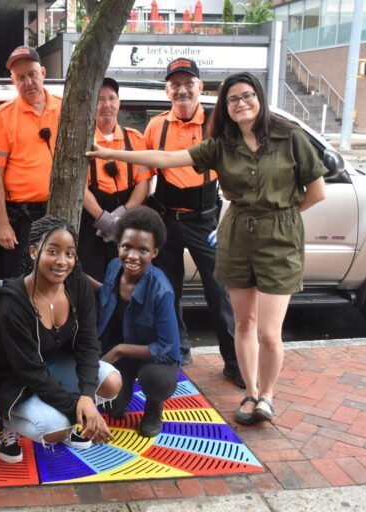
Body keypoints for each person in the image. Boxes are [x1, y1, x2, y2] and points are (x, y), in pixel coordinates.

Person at [87, 72, 328, 425]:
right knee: (244, 322)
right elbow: (167, 159)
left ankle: (268, 395)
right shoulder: (221, 145)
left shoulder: (289, 136)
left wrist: (281, 217)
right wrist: (109, 152)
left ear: (259, 98)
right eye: (233, 100)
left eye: (247, 96)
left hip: (275, 238)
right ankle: (250, 393)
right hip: (233, 233)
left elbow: (317, 192)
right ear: (225, 107)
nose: (241, 104)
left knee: (267, 330)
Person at [0, 216, 122, 463]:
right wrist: (81, 413)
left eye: (69, 254)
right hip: (15, 379)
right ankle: (3, 418)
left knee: (111, 381)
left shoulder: (77, 284)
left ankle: (69, 414)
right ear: (34, 252)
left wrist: (86, 398)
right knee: (53, 430)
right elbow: (29, 371)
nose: (62, 261)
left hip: (53, 364)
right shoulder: (12, 302)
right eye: (52, 251)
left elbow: (88, 344)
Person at [143, 58, 241, 387]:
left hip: (206, 222)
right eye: (175, 84)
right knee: (168, 292)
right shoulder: (157, 126)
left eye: (189, 83)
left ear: (201, 86)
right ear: (167, 90)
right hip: (167, 220)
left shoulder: (217, 123)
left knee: (219, 293)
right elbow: (146, 175)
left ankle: (233, 361)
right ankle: (178, 350)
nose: (182, 89)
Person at [95, 206, 181, 437]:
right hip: (121, 348)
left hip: (151, 358)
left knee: (157, 380)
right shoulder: (114, 267)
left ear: (154, 252)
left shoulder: (161, 290)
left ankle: (154, 408)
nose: (132, 256)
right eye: (126, 247)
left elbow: (169, 349)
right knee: (112, 407)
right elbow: (106, 294)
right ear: (118, 245)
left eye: (142, 250)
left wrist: (120, 350)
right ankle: (122, 394)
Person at [0, 46, 62, 278]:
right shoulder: (3, 116)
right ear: (13, 81)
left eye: (32, 74)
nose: (28, 82)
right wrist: (3, 224)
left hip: (57, 212)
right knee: (18, 283)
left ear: (44, 73)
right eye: (20, 78)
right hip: (21, 218)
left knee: (54, 277)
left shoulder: (65, 108)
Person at [80, 77, 151, 282]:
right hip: (92, 222)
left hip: (127, 222)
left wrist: (122, 215)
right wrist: (104, 220)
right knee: (92, 281)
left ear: (119, 103)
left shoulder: (135, 138)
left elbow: (143, 183)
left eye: (112, 98)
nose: (107, 105)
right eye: (100, 99)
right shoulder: (82, 140)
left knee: (126, 280)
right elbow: (79, 188)